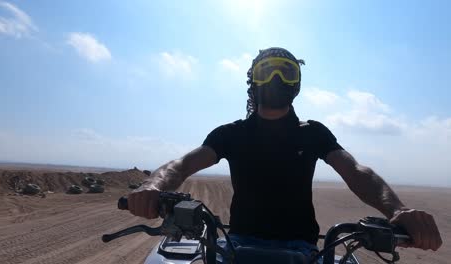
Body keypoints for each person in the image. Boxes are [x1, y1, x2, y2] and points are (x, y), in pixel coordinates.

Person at [128, 47, 442, 260]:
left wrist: (398, 210)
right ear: (253, 81)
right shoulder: (231, 134)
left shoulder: (314, 132)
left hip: (303, 251)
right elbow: (181, 165)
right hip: (238, 248)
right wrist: (154, 185)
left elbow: (357, 172)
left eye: (286, 72)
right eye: (267, 72)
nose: (276, 80)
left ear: (297, 82)